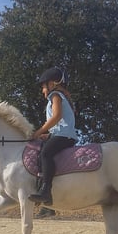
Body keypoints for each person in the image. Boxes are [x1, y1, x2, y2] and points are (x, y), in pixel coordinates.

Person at [29, 67, 78, 206]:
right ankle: (46, 195)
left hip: (65, 135)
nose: (42, 90)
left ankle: (46, 190)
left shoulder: (55, 95)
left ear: (53, 84)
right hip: (61, 134)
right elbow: (60, 122)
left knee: (45, 154)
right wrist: (48, 135)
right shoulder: (60, 96)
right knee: (41, 151)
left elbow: (57, 117)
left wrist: (38, 132)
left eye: (43, 86)